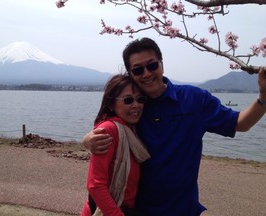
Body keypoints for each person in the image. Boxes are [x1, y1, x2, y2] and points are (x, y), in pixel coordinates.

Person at [82, 37, 266, 216]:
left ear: (162, 64)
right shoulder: (133, 109)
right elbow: (110, 128)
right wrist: (88, 139)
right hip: (138, 210)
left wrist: (263, 96)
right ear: (131, 75)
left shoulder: (194, 99)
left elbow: (240, 123)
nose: (146, 74)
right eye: (138, 70)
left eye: (152, 65)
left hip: (182, 208)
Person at [81, 73, 150, 216]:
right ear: (112, 104)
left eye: (140, 99)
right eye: (128, 100)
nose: (136, 105)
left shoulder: (133, 129)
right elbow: (95, 184)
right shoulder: (109, 130)